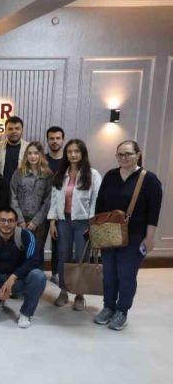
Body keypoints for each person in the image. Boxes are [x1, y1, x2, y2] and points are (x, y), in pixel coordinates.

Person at [94, 140, 162, 331]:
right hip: (108, 233)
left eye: (128, 154)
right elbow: (100, 203)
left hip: (135, 236)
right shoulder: (110, 176)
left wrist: (149, 238)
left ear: (138, 155)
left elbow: (154, 212)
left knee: (126, 275)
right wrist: (96, 230)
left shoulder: (149, 180)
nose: (123, 158)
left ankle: (122, 311)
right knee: (109, 274)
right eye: (120, 154)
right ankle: (108, 307)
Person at [48, 139, 101, 311]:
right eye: (69, 151)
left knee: (81, 257)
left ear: (83, 153)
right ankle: (63, 291)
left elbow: (96, 200)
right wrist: (53, 221)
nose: (73, 154)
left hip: (83, 222)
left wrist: (92, 223)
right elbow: (54, 199)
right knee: (63, 255)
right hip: (63, 221)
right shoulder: (60, 174)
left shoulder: (92, 174)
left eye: (76, 151)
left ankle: (79, 294)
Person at [0, 207, 46, 329]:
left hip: (18, 280)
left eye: (10, 220)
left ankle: (26, 313)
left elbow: (33, 260)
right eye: (2, 220)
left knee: (39, 276)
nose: (6, 224)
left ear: (16, 222)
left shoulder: (26, 235)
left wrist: (13, 277)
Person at [10, 142, 52, 257]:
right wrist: (20, 220)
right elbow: (13, 197)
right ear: (26, 155)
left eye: (36, 153)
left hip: (39, 223)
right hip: (20, 220)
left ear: (41, 155)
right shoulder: (18, 173)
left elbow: (48, 200)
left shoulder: (47, 174)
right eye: (29, 153)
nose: (33, 156)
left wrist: (35, 221)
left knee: (36, 253)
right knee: (19, 252)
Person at [45, 126, 65, 283]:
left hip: (60, 209)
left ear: (63, 140)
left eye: (58, 138)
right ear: (47, 140)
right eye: (51, 138)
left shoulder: (68, 161)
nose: (55, 141)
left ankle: (56, 273)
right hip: (41, 207)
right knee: (36, 244)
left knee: (58, 243)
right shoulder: (41, 159)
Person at [0, 116, 28, 188]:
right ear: (5, 131)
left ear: (22, 130)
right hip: (1, 188)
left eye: (17, 128)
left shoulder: (29, 148)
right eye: (10, 129)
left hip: (21, 189)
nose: (14, 131)